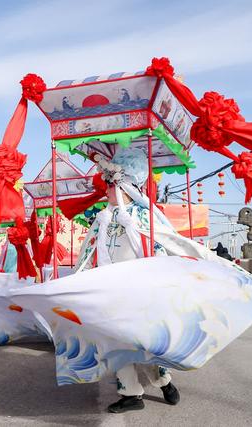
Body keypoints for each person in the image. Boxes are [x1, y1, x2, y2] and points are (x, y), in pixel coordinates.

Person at [73, 149, 179, 413]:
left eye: (111, 185)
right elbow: (89, 251)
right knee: (115, 342)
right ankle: (131, 393)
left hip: (142, 289)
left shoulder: (145, 216)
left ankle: (163, 380)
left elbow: (161, 249)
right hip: (110, 290)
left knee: (146, 341)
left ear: (125, 187)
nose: (106, 190)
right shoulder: (103, 217)